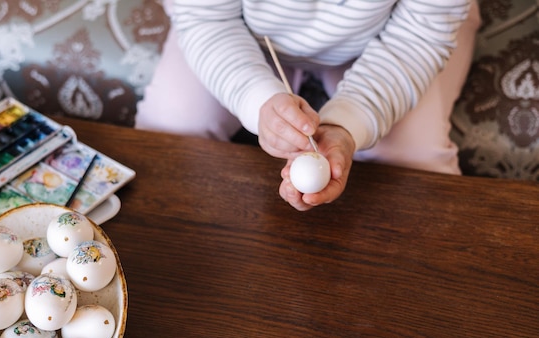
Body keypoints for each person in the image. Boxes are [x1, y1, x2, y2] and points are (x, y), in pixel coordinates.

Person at [135, 0, 481, 211]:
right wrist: (257, 98)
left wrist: (349, 123)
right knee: (170, 126)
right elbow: (208, 18)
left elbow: (418, 36)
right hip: (233, 29)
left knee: (418, 163)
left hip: (398, 35)